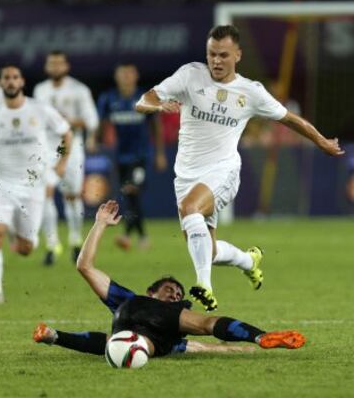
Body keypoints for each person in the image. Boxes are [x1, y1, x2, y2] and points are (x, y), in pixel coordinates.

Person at [135, 24, 345, 312]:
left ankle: (204, 287)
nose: (216, 61)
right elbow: (144, 100)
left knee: (190, 209)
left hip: (224, 170)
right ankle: (249, 261)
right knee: (206, 250)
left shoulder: (250, 92)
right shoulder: (189, 75)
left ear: (238, 55)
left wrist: (321, 141)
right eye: (211, 54)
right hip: (185, 175)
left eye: (223, 55)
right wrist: (158, 107)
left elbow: (290, 119)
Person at [33, 200, 306, 357]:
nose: (176, 295)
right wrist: (100, 223)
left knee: (203, 324)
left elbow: (204, 344)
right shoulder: (127, 299)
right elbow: (84, 266)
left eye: (178, 294)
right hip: (135, 339)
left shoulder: (165, 317)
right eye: (170, 289)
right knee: (118, 343)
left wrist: (249, 344)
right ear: (151, 293)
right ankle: (260, 337)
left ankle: (260, 337)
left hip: (148, 339)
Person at [0, 65, 72, 304]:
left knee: (26, 248)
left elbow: (66, 133)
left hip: (33, 185)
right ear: (1, 83)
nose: (10, 81)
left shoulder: (39, 109)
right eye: (6, 78)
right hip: (1, 182)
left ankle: (18, 235)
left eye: (14, 77)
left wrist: (61, 162)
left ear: (22, 82)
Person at [34, 50, 99, 265]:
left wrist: (66, 121)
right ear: (46, 67)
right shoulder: (40, 90)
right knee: (46, 194)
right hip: (46, 147)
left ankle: (75, 239)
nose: (55, 67)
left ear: (66, 66)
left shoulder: (79, 90)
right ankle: (52, 245)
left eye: (59, 63)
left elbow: (91, 121)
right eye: (51, 63)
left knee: (72, 196)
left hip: (70, 146)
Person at [97, 63, 167, 250]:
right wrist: (96, 142)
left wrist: (159, 153)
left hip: (141, 155)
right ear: (116, 77)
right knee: (131, 198)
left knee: (132, 190)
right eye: (123, 74)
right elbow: (102, 124)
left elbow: (156, 126)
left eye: (130, 74)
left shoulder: (144, 98)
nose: (127, 78)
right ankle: (141, 237)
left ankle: (129, 235)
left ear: (136, 76)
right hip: (120, 157)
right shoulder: (108, 99)